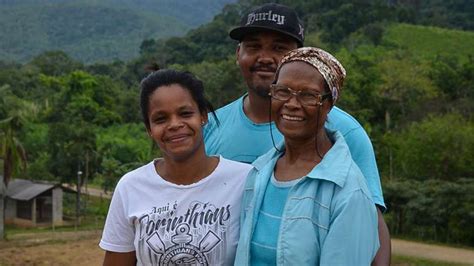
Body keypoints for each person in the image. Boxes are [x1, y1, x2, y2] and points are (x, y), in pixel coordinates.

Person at [203, 3, 391, 265]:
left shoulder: (348, 133)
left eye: (279, 48)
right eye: (254, 46)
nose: (265, 57)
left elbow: (370, 229)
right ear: (238, 53)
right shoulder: (211, 128)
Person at [235, 47, 379, 265]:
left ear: (329, 104)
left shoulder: (348, 192)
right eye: (283, 91)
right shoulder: (259, 172)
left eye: (308, 95)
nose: (292, 104)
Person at [99, 69, 252, 265]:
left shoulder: (244, 180)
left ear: (203, 116)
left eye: (185, 113)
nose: (174, 124)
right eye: (160, 119)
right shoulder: (130, 187)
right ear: (149, 129)